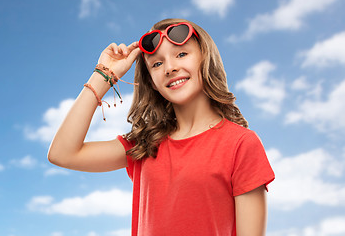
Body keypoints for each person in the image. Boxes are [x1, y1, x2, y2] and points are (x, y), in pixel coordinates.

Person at [48, 18, 275, 236]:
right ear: (152, 83)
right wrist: (104, 75)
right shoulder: (144, 145)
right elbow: (62, 153)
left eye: (182, 54)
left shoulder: (240, 144)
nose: (170, 68)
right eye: (157, 63)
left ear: (205, 58)